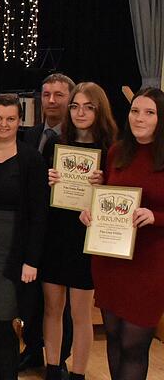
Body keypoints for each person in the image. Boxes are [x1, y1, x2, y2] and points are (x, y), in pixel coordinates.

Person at [81, 87, 164, 380]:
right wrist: (91, 209)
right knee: (114, 337)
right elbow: (109, 198)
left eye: (149, 113)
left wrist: (155, 216)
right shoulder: (117, 151)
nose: (139, 118)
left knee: (134, 344)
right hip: (111, 259)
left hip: (150, 263)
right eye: (134, 111)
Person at [41, 82, 117, 380]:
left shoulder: (112, 149)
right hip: (55, 234)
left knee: (81, 314)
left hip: (86, 239)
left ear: (100, 111)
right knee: (52, 308)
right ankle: (52, 368)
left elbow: (120, 201)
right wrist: (48, 180)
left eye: (88, 107)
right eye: (75, 106)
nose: (80, 112)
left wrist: (105, 185)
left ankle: (78, 374)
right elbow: (41, 197)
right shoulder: (55, 144)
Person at [0, 94, 47, 380]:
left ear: (20, 121)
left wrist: (32, 260)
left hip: (13, 251)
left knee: (3, 321)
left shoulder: (32, 159)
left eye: (11, 119)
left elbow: (39, 215)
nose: (4, 124)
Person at [19, 73, 76, 372]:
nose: (51, 100)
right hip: (32, 231)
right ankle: (32, 349)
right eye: (46, 94)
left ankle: (60, 359)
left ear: (71, 98)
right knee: (31, 298)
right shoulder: (29, 135)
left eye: (59, 95)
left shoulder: (79, 139)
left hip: (64, 232)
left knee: (60, 302)